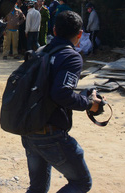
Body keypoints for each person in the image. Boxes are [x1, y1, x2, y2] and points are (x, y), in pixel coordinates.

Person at [20, 10, 101, 193]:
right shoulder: (71, 57)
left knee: (37, 187)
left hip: (29, 130)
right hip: (51, 135)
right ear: (79, 34)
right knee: (81, 182)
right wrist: (90, 104)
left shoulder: (40, 52)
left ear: (54, 30)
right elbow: (61, 94)